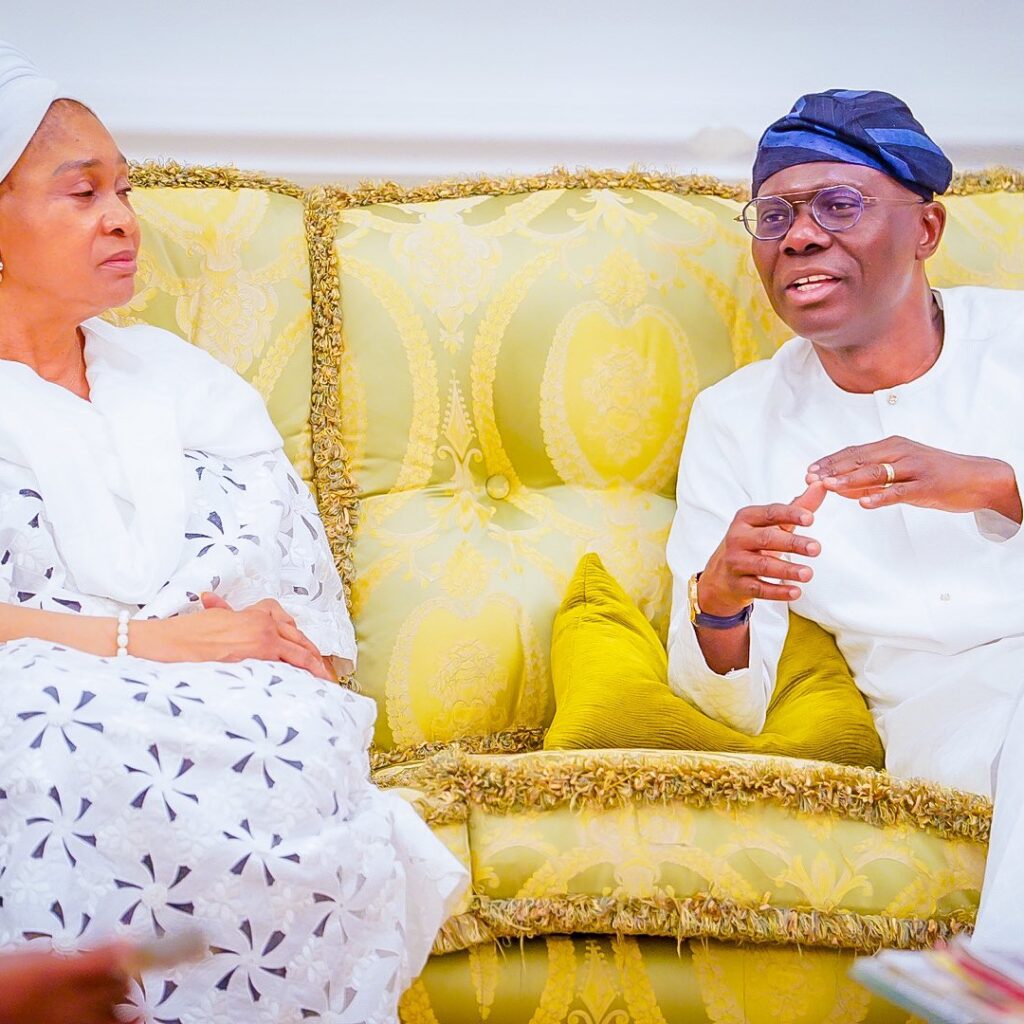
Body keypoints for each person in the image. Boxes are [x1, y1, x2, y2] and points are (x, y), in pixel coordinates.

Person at [0, 40, 467, 1023]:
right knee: (42, 728)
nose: (123, 217)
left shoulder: (181, 383)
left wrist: (252, 650)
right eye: (81, 195)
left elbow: (281, 605)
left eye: (123, 190)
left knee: (302, 740)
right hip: (42, 700)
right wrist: (145, 644)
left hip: (214, 694)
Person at [665, 88, 1024, 951]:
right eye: (776, 213)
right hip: (947, 713)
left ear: (926, 231)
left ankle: (996, 980)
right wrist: (721, 595)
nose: (798, 236)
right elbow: (718, 688)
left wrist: (998, 486)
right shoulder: (736, 418)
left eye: (839, 204)